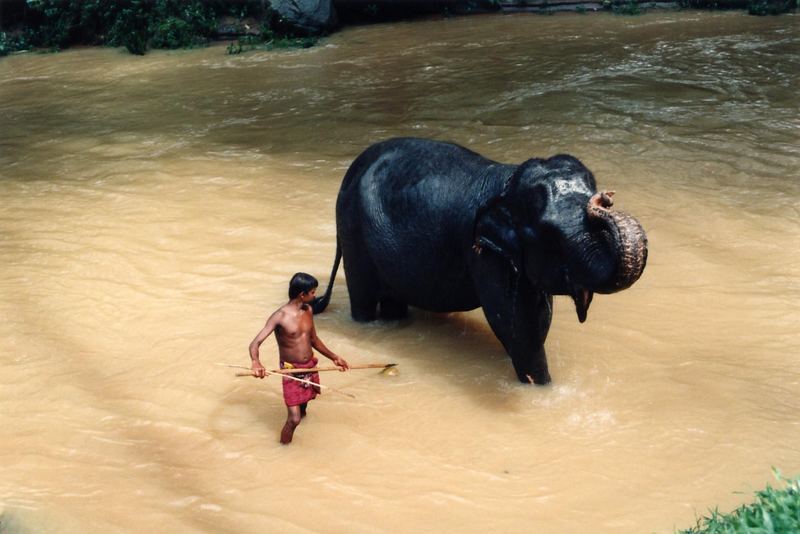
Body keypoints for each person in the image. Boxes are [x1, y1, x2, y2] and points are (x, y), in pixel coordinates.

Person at [249, 272, 349, 444]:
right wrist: (256, 362)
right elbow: (254, 344)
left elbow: (314, 340)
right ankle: (283, 448)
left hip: (310, 367)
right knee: (294, 419)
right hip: (292, 371)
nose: (315, 295)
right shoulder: (279, 317)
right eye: (312, 292)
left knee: (303, 408)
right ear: (302, 294)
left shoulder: (308, 310)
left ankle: (298, 434)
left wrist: (334, 357)